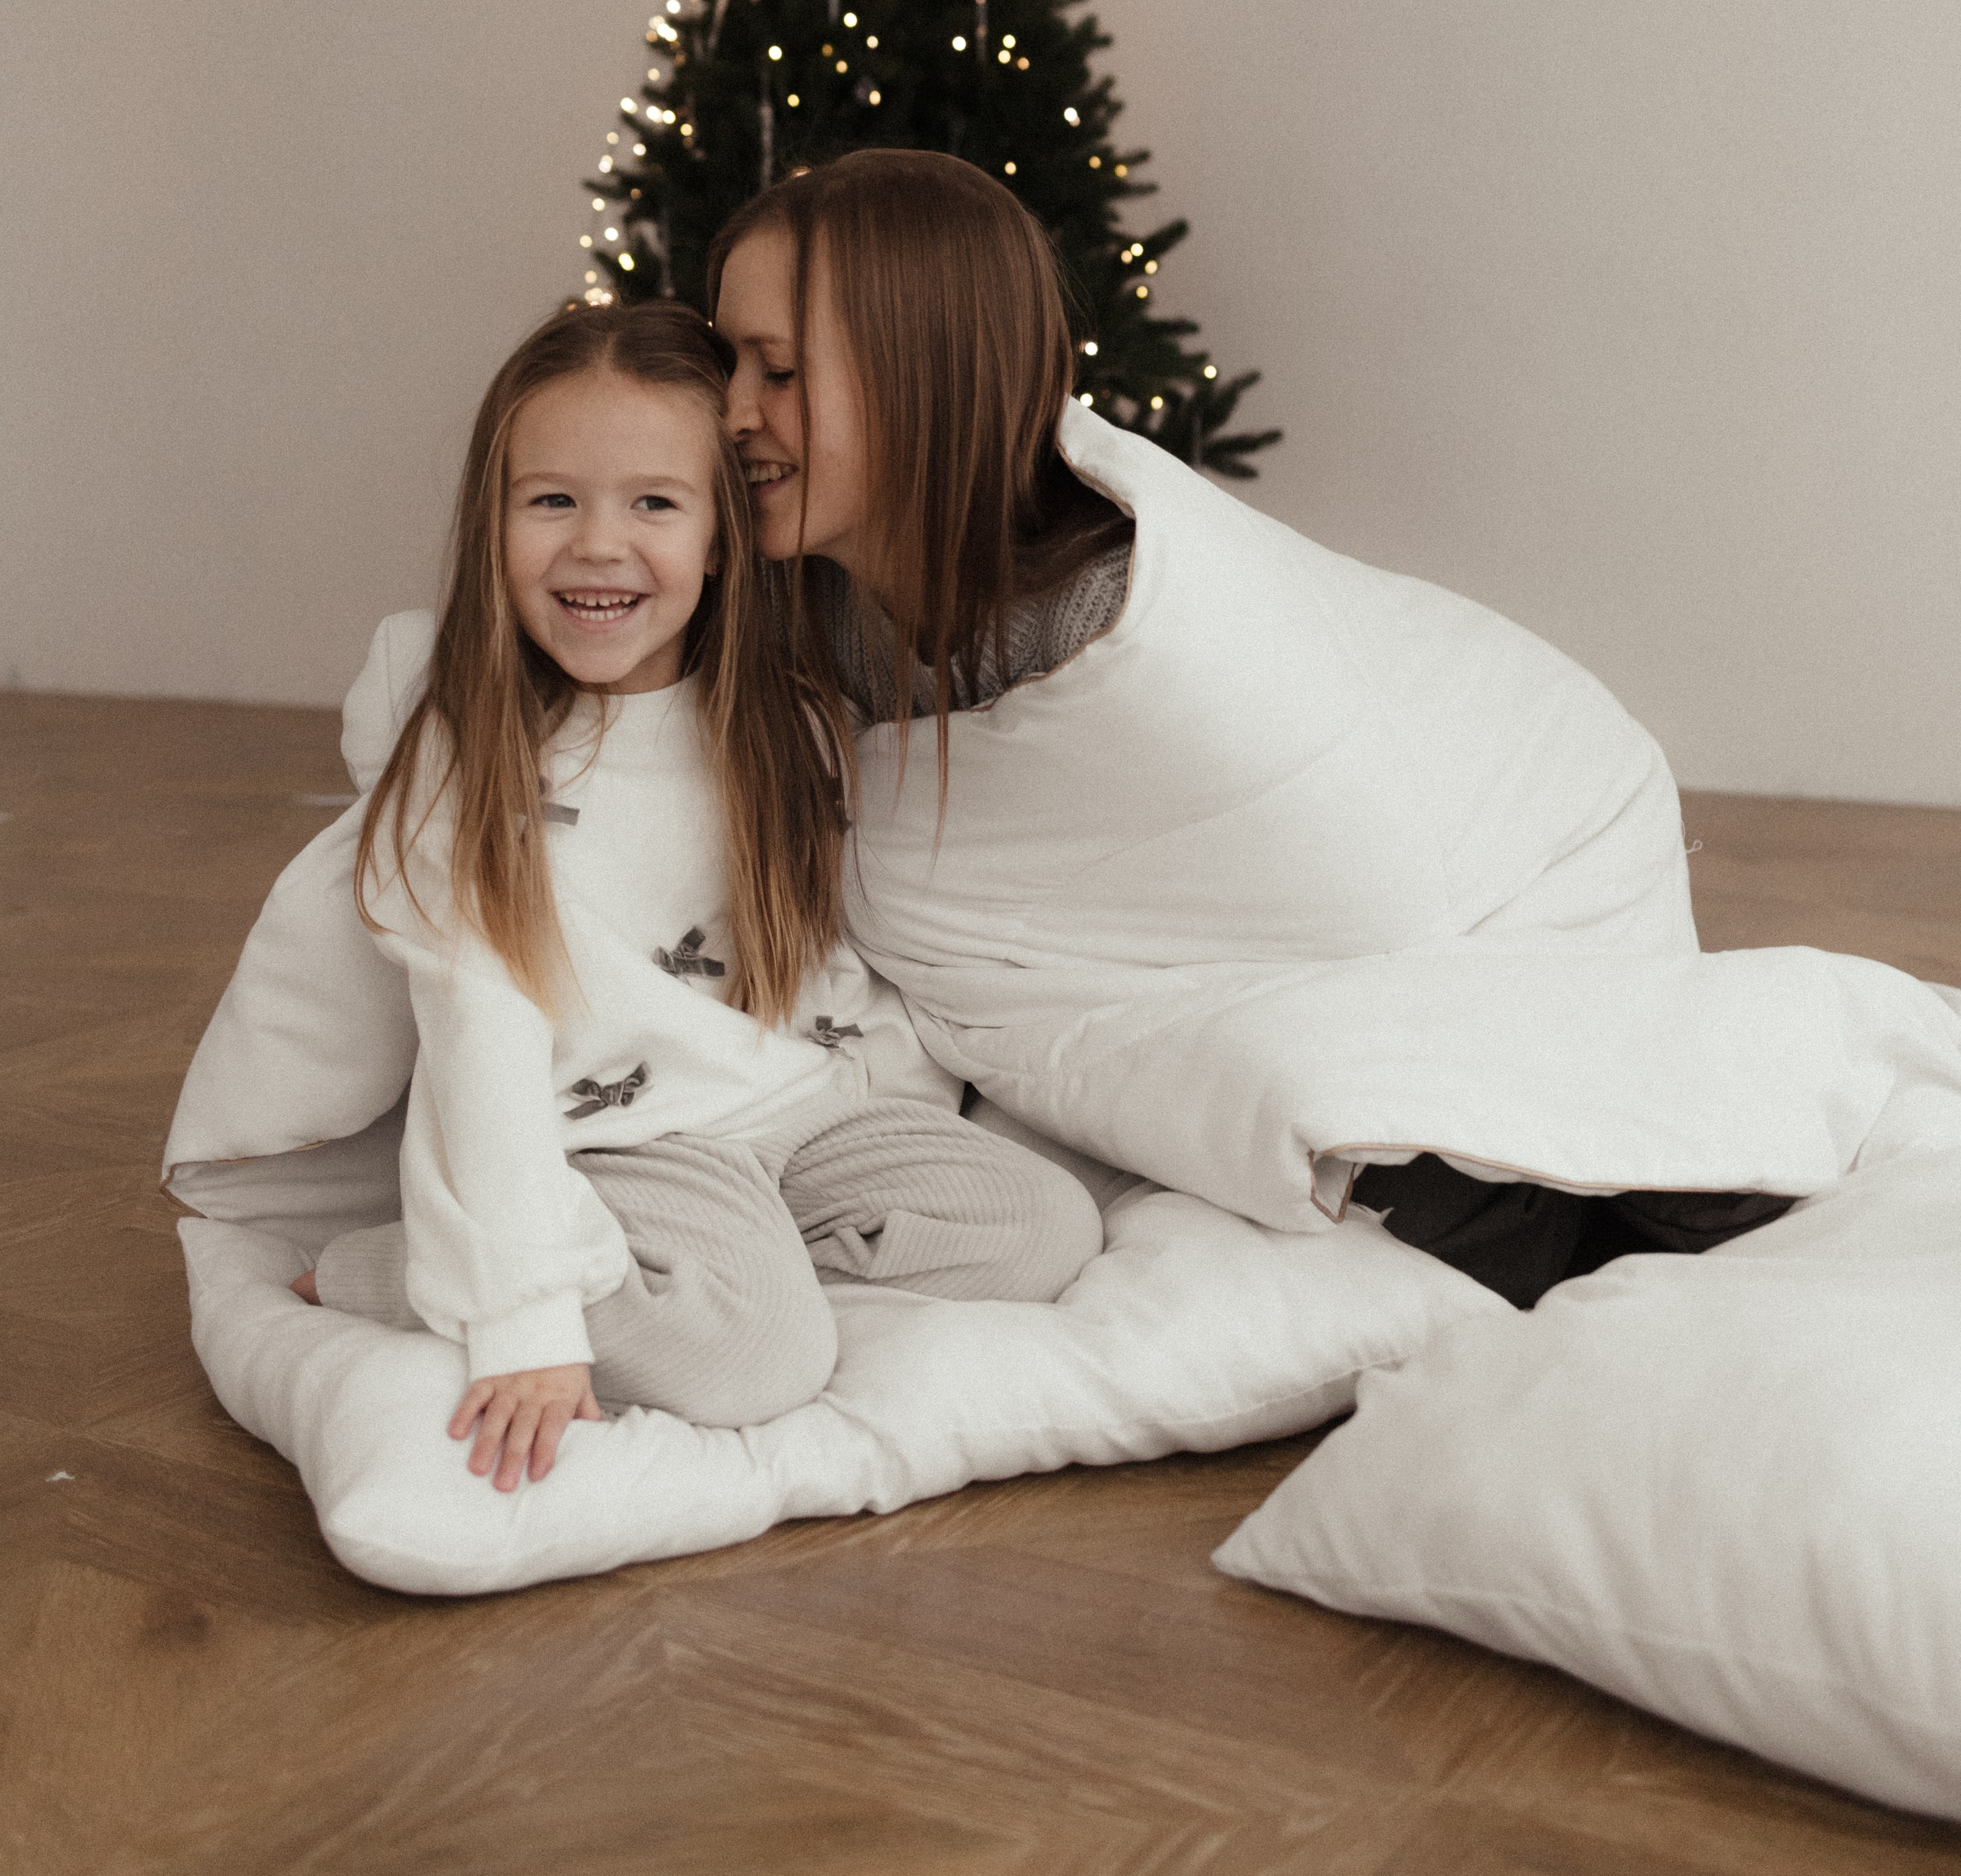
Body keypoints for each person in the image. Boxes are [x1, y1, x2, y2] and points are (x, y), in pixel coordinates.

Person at [709, 149, 1794, 1309]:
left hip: (1515, 833)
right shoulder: (794, 589)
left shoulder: (1117, 625)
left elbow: (1365, 894)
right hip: (1280, 911)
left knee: (1314, 1094)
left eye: (776, 370)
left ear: (921, 379)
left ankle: (1676, 1163)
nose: (732, 413)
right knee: (1219, 1100)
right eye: (725, 361)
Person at [267, 299, 1101, 1491]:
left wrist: (891, 1099)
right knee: (756, 1361)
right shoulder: (467, 738)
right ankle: (406, 1268)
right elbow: (479, 1030)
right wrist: (524, 1319)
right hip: (627, 1136)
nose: (599, 545)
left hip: (792, 1114)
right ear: (491, 523)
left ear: (721, 536)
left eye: (654, 503)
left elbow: (825, 959)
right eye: (552, 500)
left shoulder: (786, 716)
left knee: (1041, 1225)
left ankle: (709, 1263)